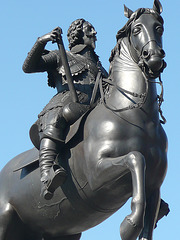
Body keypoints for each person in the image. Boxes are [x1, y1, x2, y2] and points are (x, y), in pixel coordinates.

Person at [22, 18, 108, 200]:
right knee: (58, 116)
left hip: (92, 108)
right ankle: (47, 172)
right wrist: (41, 41)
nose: (94, 33)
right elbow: (28, 67)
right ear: (78, 34)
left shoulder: (100, 68)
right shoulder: (61, 56)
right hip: (66, 102)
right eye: (89, 29)